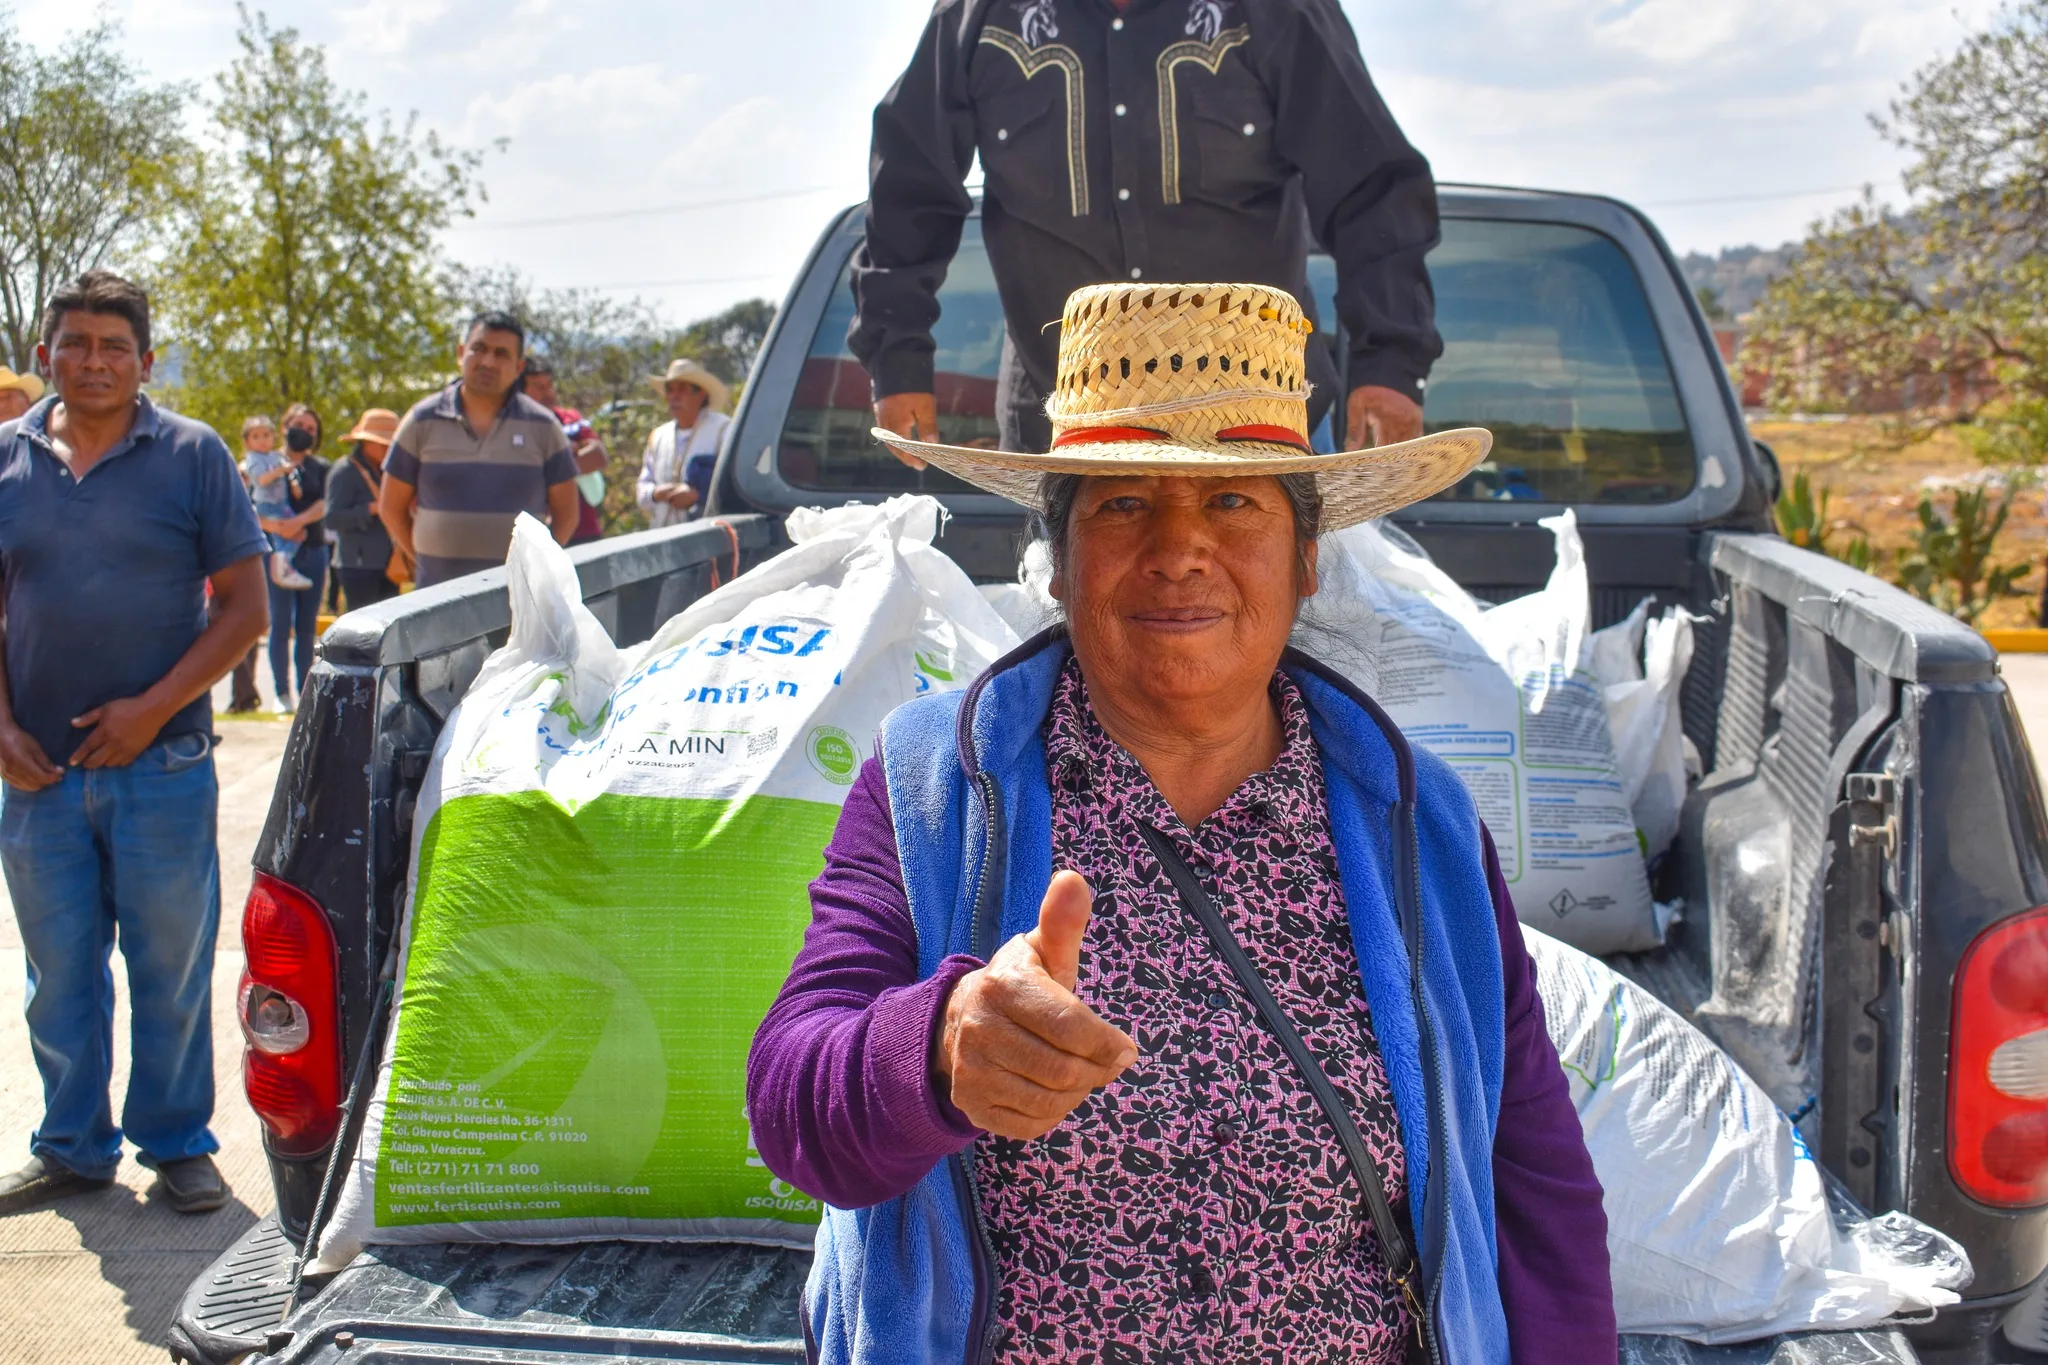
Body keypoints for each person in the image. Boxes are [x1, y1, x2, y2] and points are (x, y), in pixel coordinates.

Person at [748, 283, 1616, 1362]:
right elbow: (791, 1099)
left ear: (1304, 562)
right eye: (1120, 506)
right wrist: (936, 1051)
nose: (1177, 550)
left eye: (1232, 504)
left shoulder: (1418, 821)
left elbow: (1528, 1168)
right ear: (1056, 564)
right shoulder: (936, 785)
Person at [856, 0, 1441, 461]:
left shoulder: (1274, 10)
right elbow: (910, 187)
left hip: (1260, 422)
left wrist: (1389, 364)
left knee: (1280, 611)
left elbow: (1373, 189)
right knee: (1069, 612)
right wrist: (898, 359)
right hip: (1061, 428)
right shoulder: (980, 15)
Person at [0, 270, 268, 1216]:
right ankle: (72, 1144)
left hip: (163, 764)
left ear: (146, 361)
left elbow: (246, 611)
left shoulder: (193, 456)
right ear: (47, 355)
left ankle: (176, 1140)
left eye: (116, 346)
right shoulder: (7, 458)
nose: (95, 361)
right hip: (34, 774)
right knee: (58, 971)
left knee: (169, 965)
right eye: (76, 343)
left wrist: (152, 708)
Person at [378, 312, 581, 588]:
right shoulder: (421, 420)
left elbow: (567, 513)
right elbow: (390, 506)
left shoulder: (544, 427)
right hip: (436, 599)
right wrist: (422, 560)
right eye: (479, 349)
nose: (488, 361)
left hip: (518, 604)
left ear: (519, 366)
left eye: (501, 354)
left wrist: (536, 570)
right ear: (461, 353)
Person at [259, 403, 330, 710]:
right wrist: (277, 527)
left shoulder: (323, 468)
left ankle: (305, 692)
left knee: (305, 626)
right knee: (280, 622)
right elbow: (250, 504)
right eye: (299, 425)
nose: (305, 432)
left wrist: (296, 523)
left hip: (312, 551)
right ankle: (281, 694)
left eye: (311, 429)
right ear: (285, 426)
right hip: (277, 554)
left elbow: (327, 503)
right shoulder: (263, 464)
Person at [522, 355, 610, 545]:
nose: (548, 393)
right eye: (538, 387)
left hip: (585, 535)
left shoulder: (569, 418)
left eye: (549, 384)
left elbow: (598, 457)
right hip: (537, 541)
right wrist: (569, 455)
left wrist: (550, 466)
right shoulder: (513, 429)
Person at [635, 358, 730, 527]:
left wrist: (697, 495)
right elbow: (642, 490)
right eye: (670, 390)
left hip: (708, 537)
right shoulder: (658, 436)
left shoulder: (723, 430)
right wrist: (656, 494)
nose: (674, 396)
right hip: (662, 538)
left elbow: (733, 484)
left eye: (682, 389)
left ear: (701, 394)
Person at [327, 408, 402, 610]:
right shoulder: (344, 471)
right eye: (383, 444)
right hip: (357, 565)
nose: (388, 450)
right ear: (366, 442)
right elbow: (332, 518)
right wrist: (369, 509)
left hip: (389, 563)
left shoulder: (389, 472)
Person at [239, 415, 315, 590]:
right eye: (256, 436)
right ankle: (281, 566)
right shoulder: (252, 460)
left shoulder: (275, 456)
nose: (262, 441)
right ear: (247, 441)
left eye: (266, 435)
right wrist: (281, 471)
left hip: (282, 503)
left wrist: (295, 483)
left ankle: (283, 562)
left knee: (300, 533)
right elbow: (261, 480)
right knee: (281, 534)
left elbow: (291, 472)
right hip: (267, 504)